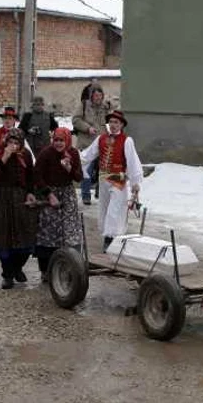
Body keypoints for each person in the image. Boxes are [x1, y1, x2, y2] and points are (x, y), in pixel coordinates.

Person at [81, 110, 143, 252]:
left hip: (118, 178)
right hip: (103, 178)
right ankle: (108, 236)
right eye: (111, 122)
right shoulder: (101, 139)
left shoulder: (127, 141)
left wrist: (135, 183)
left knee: (115, 209)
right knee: (104, 208)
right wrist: (74, 160)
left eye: (116, 122)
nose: (113, 125)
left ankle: (111, 240)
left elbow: (133, 162)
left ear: (121, 124)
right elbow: (88, 154)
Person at [0, 128, 38, 289]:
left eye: (16, 143)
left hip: (20, 198)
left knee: (26, 236)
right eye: (10, 142)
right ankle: (7, 274)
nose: (13, 146)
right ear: (6, 141)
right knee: (4, 237)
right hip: (0, 197)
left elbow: (30, 176)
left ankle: (17, 267)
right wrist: (5, 157)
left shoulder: (26, 155)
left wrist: (30, 192)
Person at [34, 127, 83, 282]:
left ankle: (69, 267)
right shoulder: (46, 153)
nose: (59, 143)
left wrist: (69, 168)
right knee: (48, 233)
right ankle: (45, 270)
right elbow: (37, 176)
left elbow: (79, 177)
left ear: (67, 140)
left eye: (62, 140)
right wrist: (49, 194)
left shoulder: (73, 153)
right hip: (50, 194)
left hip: (67, 194)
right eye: (56, 140)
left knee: (69, 232)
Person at [72, 87, 110, 205]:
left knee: (103, 169)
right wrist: (87, 128)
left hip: (102, 143)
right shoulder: (84, 106)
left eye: (100, 95)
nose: (98, 98)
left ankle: (101, 192)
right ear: (91, 96)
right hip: (87, 143)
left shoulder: (105, 108)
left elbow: (110, 121)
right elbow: (75, 120)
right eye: (96, 96)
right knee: (86, 170)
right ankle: (86, 195)